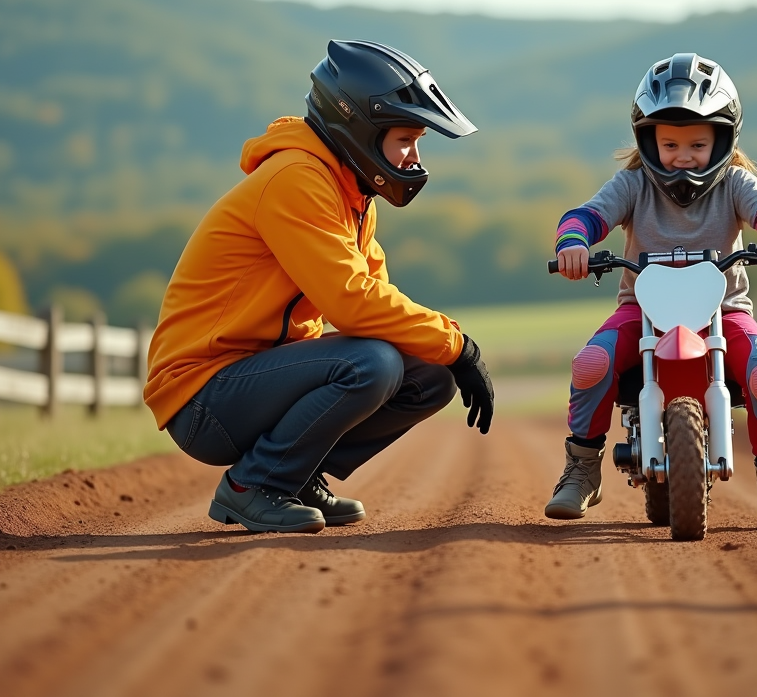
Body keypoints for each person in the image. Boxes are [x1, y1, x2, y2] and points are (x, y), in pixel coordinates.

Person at [144, 40, 495, 534]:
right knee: (372, 364)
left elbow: (377, 303)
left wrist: (448, 353)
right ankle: (254, 485)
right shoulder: (296, 179)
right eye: (405, 139)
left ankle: (297, 474)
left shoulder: (352, 196)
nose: (414, 157)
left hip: (254, 377)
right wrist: (459, 345)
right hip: (203, 396)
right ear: (360, 130)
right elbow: (352, 302)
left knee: (428, 373)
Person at [544, 52, 757, 530]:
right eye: (669, 144)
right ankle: (582, 469)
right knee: (590, 364)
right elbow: (584, 216)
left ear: (723, 140)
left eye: (697, 144)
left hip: (723, 313)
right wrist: (574, 243)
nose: (682, 156)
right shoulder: (633, 185)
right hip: (641, 313)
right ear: (647, 140)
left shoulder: (734, 185)